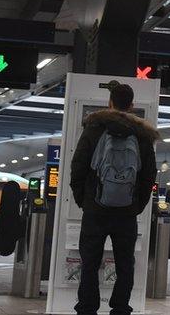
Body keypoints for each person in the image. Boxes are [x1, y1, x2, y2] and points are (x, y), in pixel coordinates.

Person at [70, 82, 158, 315]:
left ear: (110, 102)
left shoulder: (94, 129)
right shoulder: (142, 135)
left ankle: (87, 307)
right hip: (126, 211)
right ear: (131, 105)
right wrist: (137, 205)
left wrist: (84, 200)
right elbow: (149, 174)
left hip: (95, 210)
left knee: (90, 262)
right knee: (125, 264)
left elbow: (77, 167)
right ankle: (120, 308)